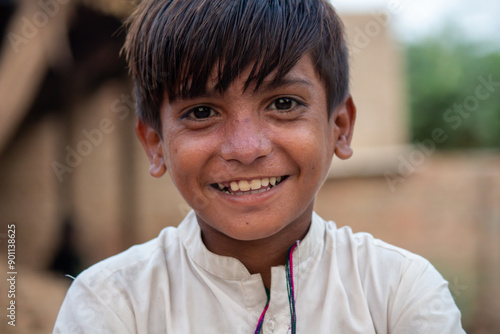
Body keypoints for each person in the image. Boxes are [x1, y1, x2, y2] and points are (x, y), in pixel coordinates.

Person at [53, 0, 465, 333]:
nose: (245, 149)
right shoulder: (112, 304)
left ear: (339, 127)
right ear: (156, 144)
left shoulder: (400, 294)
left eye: (283, 104)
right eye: (201, 112)